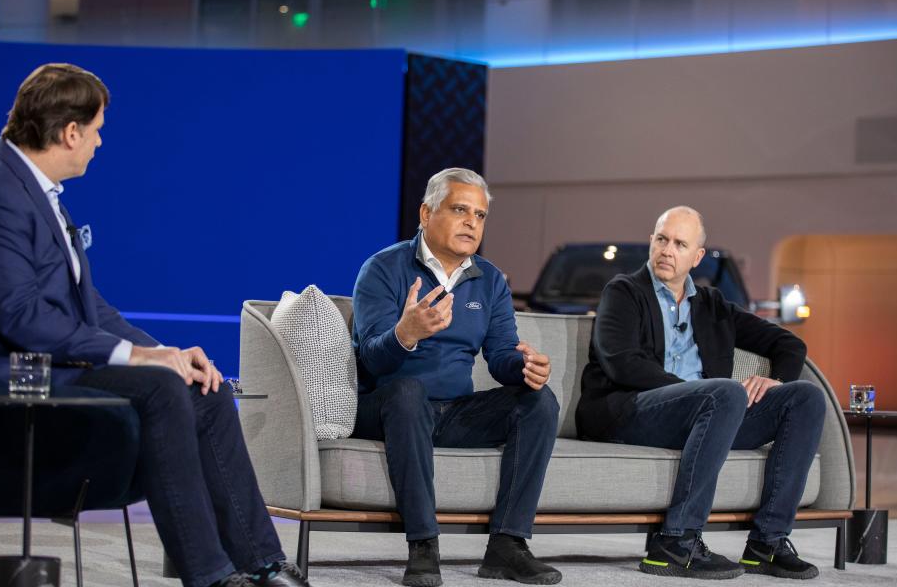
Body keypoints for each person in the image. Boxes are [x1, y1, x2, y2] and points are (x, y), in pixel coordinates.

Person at [0, 63, 308, 587]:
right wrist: (144, 361)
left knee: (201, 388)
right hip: (9, 380)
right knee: (161, 387)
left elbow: (87, 305)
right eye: (95, 132)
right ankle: (209, 576)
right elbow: (21, 320)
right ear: (70, 132)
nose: (97, 144)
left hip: (51, 364)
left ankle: (262, 562)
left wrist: (167, 351)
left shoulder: (28, 189)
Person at [576, 206, 826, 580]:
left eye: (679, 243)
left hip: (711, 417)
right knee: (723, 394)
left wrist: (778, 380)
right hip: (633, 411)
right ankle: (675, 543)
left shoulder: (712, 306)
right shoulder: (624, 292)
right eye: (661, 239)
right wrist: (700, 394)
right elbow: (622, 363)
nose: (667, 250)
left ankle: (767, 544)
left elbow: (787, 343)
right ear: (651, 242)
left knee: (805, 398)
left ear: (696, 257)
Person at [351, 168, 562, 587]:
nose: (471, 222)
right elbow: (372, 359)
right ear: (426, 214)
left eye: (480, 215)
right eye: (460, 210)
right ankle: (424, 546)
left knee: (540, 400)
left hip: (454, 413)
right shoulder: (383, 269)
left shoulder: (489, 280)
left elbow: (500, 355)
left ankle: (507, 545)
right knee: (408, 392)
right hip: (389, 406)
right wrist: (404, 334)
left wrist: (524, 366)